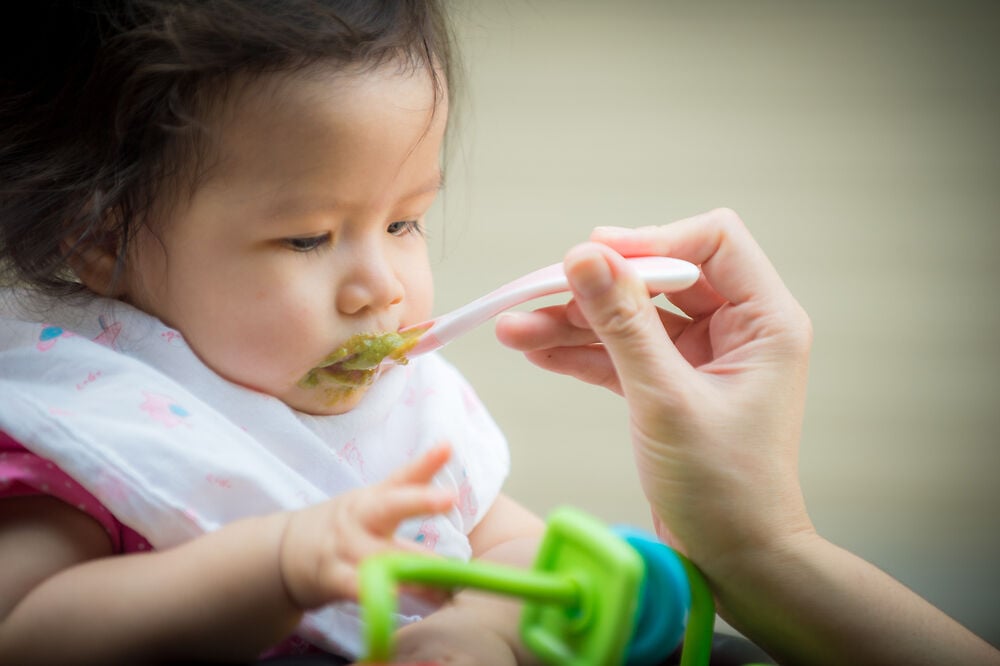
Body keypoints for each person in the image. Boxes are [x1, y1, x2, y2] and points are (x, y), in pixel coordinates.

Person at [0, 2, 544, 663]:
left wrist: (482, 625)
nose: (382, 288)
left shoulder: (406, 412)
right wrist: (277, 566)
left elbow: (527, 552)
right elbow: (26, 631)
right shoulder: (93, 424)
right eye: (308, 238)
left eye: (404, 223)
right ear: (100, 238)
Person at [495, 208, 1000, 665]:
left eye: (412, 224)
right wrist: (751, 554)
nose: (408, 293)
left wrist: (484, 627)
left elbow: (510, 548)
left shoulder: (438, 410)